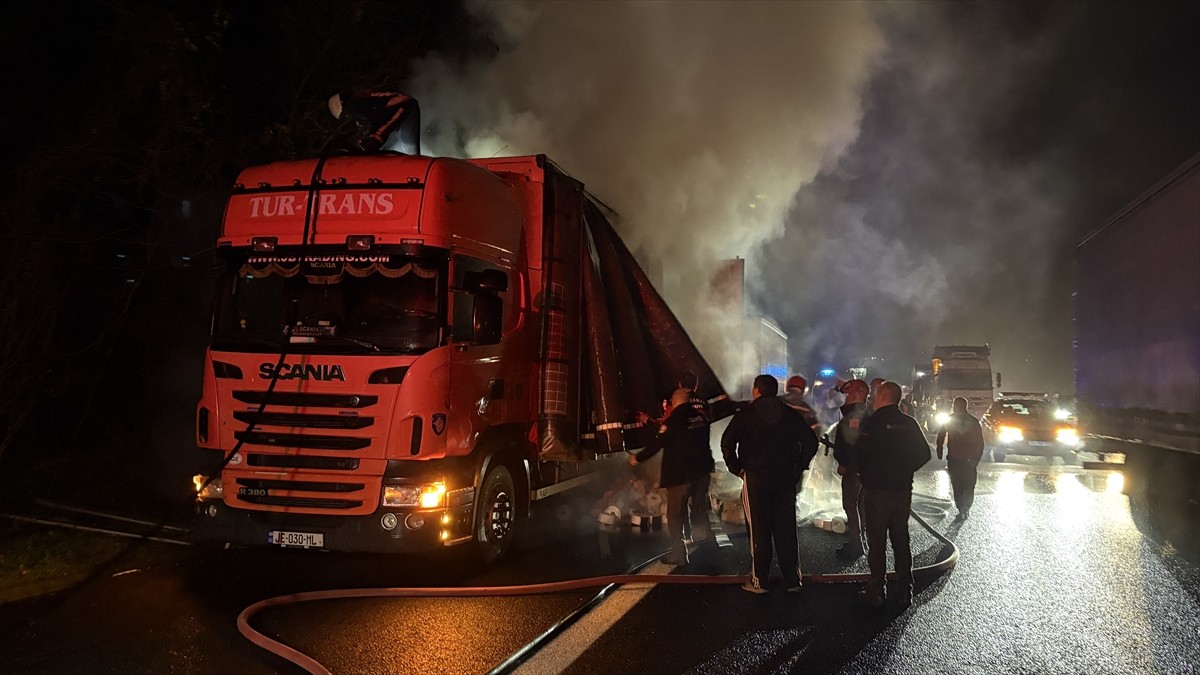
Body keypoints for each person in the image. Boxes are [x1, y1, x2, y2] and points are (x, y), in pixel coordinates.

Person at [721, 374, 819, 594]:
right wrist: (799, 467)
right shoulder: (790, 414)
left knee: (759, 529)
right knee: (786, 529)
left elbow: (727, 442)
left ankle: (759, 582)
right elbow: (811, 442)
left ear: (757, 391)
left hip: (756, 479)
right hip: (785, 479)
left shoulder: (746, 415)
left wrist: (736, 468)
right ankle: (793, 581)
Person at [855, 381, 931, 608]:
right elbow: (924, 454)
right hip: (901, 490)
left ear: (882, 397)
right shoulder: (909, 423)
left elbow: (858, 453)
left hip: (877, 490)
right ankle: (905, 591)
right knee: (901, 539)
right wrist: (905, 470)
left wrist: (866, 473)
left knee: (877, 542)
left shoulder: (871, 423)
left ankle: (877, 591)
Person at [630, 388, 714, 565]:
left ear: (674, 402)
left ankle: (678, 553)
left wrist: (638, 457)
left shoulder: (675, 419)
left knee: (674, 514)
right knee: (698, 507)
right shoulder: (701, 417)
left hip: (681, 474)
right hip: (702, 472)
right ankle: (708, 543)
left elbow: (660, 441)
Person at [832, 378, 871, 558]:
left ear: (858, 394)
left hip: (854, 469)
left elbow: (852, 444)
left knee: (850, 503)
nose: (845, 399)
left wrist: (845, 464)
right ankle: (861, 540)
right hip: (862, 469)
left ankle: (857, 543)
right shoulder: (863, 413)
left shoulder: (855, 416)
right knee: (860, 504)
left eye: (848, 395)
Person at [935, 396, 985, 520]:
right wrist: (976, 459)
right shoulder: (973, 421)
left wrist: (939, 449)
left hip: (955, 458)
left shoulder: (950, 419)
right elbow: (980, 443)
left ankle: (961, 507)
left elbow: (941, 434)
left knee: (957, 484)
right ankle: (965, 507)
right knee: (968, 484)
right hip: (968, 460)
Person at [328, 90, 421, 154]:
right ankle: (415, 165)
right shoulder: (361, 96)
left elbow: (373, 120)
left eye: (345, 116)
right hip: (406, 104)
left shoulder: (352, 105)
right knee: (409, 146)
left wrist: (365, 143)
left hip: (400, 104)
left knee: (381, 130)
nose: (347, 117)